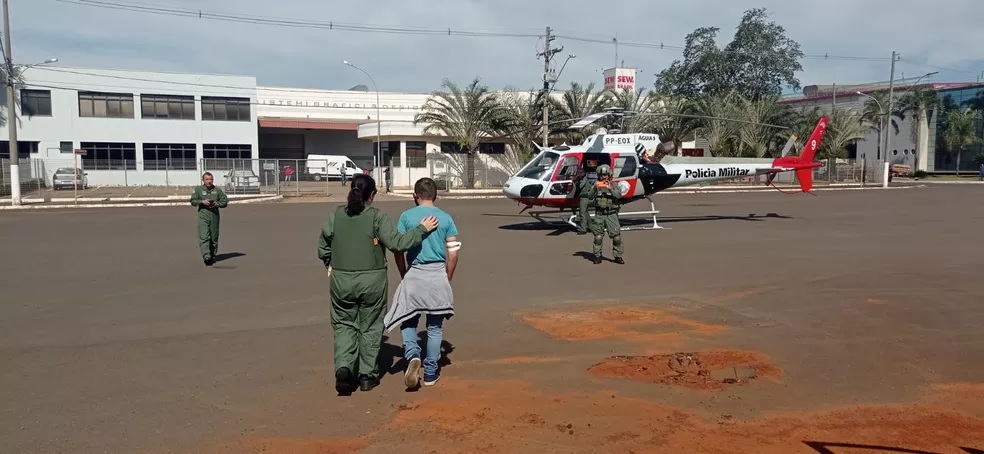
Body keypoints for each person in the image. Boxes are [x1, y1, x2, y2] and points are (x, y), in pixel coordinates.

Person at [317, 173, 439, 395]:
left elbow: (323, 245)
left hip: (341, 280)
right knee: (371, 326)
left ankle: (344, 367)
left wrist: (329, 263)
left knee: (344, 325)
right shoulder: (377, 217)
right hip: (372, 281)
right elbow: (397, 244)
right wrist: (421, 229)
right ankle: (367, 376)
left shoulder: (336, 216)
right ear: (371, 195)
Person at [384, 177, 460, 389]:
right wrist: (447, 277)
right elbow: (453, 255)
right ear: (436, 195)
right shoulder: (446, 218)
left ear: (415, 196)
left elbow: (398, 248)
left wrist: (403, 273)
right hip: (437, 274)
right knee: (435, 327)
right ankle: (431, 372)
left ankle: (412, 354)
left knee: (408, 320)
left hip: (414, 273)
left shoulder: (406, 217)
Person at [587, 164, 625, 265]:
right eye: (602, 175)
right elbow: (589, 197)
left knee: (616, 237)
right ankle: (597, 256)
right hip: (599, 214)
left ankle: (618, 255)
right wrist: (594, 188)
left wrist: (610, 188)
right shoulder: (596, 185)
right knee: (598, 237)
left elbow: (618, 195)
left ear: (609, 175)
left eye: (605, 175)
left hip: (611, 214)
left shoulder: (614, 185)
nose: (604, 177)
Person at [190, 172, 229, 266]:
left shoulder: (217, 190)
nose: (209, 181)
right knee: (204, 236)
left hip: (214, 215)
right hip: (203, 215)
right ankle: (206, 256)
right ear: (203, 180)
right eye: (207, 179)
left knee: (214, 236)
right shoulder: (198, 189)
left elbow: (225, 201)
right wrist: (202, 201)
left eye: (211, 179)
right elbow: (192, 201)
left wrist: (218, 204)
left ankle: (212, 254)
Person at [571, 167, 593, 235]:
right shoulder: (581, 179)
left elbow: (580, 186)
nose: (579, 174)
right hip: (583, 198)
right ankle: (591, 227)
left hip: (585, 198)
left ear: (584, 173)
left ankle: (583, 229)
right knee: (586, 213)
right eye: (578, 173)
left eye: (580, 173)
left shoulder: (584, 179)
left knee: (582, 213)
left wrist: (576, 179)